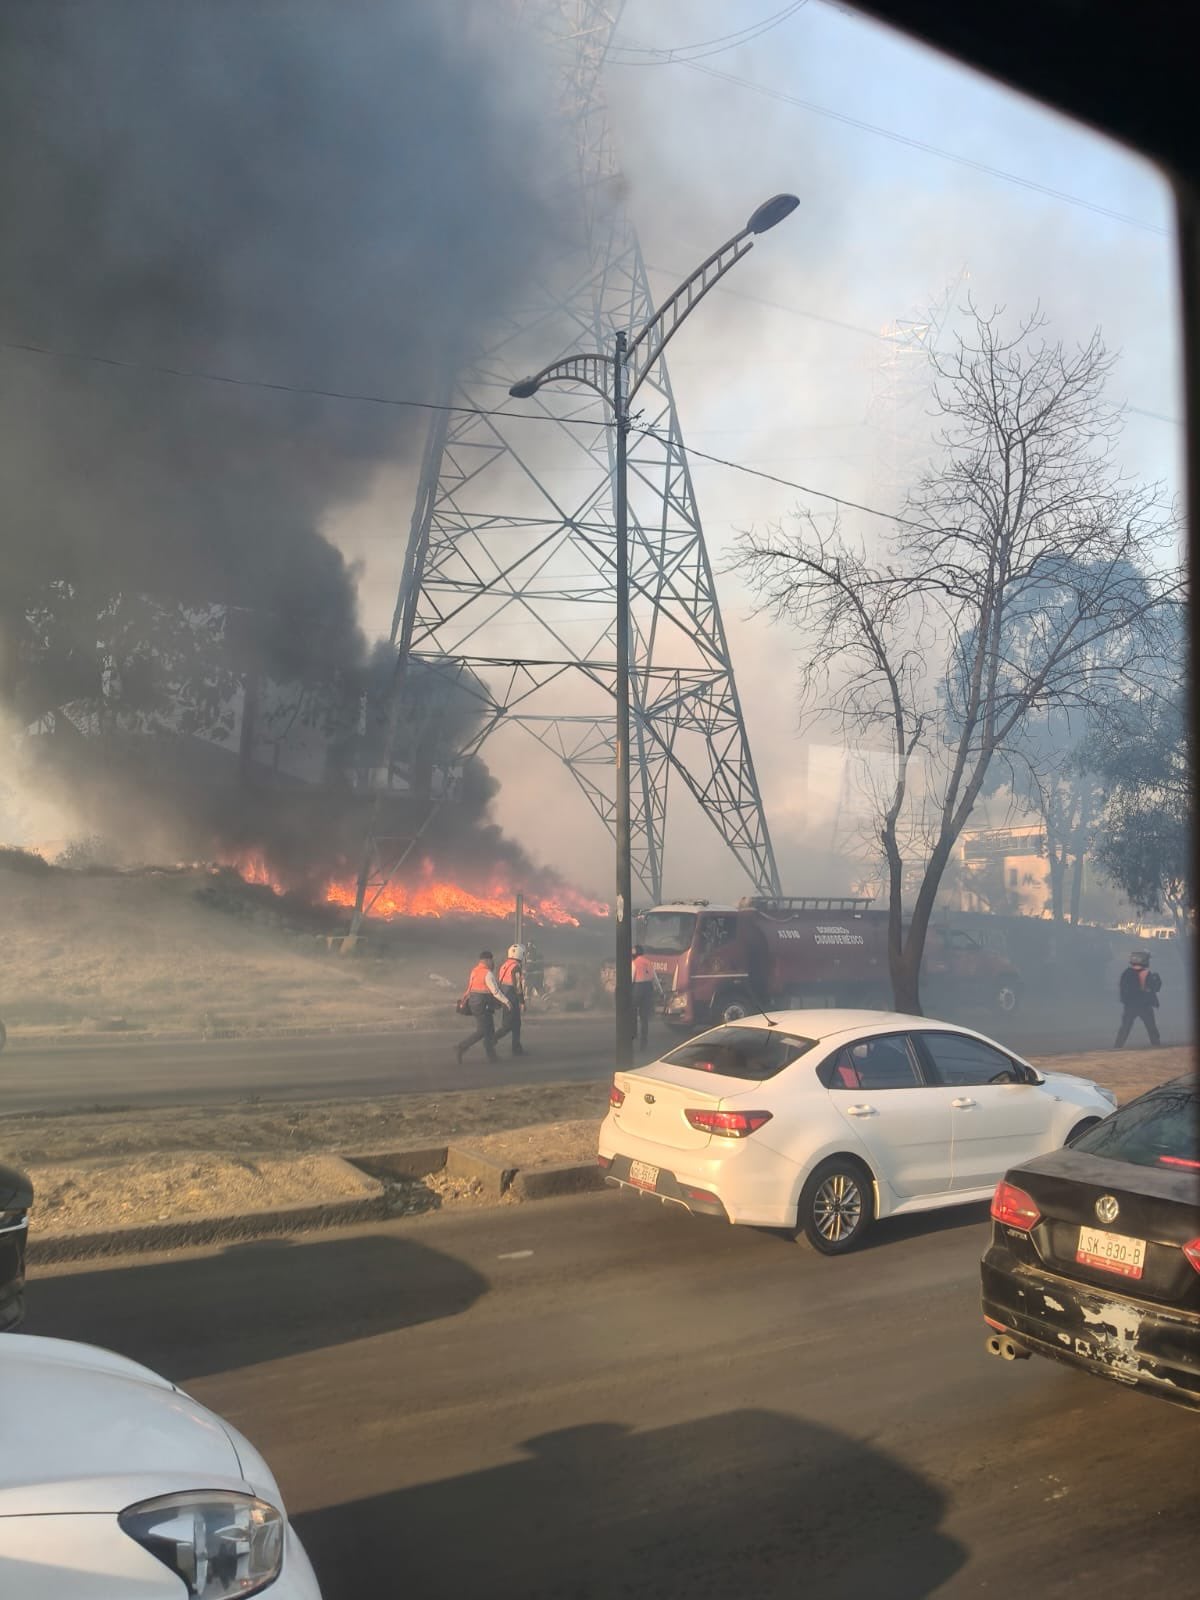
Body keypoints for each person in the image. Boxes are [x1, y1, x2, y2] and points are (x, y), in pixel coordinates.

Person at [455, 950, 512, 1064]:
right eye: (491, 960)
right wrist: (506, 1001)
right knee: (482, 1031)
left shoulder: (475, 971)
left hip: (474, 1003)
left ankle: (492, 1057)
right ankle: (461, 1047)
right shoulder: (488, 974)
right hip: (482, 1005)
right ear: (487, 960)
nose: (493, 963)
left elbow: (471, 987)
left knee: (489, 1030)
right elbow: (495, 991)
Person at [1114, 949, 1162, 1048]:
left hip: (1130, 1006)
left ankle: (1117, 1046)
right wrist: (1157, 980)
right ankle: (1156, 1045)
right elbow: (1155, 988)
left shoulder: (1126, 973)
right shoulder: (1146, 973)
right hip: (1144, 1005)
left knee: (1125, 1027)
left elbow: (1123, 990)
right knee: (1151, 1027)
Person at [494, 943, 527, 1056]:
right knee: (507, 1026)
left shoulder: (505, 965)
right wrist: (522, 1002)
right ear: (520, 955)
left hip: (504, 995)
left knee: (517, 1024)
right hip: (511, 998)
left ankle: (516, 1048)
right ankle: (491, 1040)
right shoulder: (516, 967)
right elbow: (517, 986)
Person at [631, 944, 662, 1050]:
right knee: (644, 1017)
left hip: (637, 988)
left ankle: (633, 1033)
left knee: (632, 1010)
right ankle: (644, 1041)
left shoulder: (634, 963)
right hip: (648, 989)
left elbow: (631, 977)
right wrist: (661, 991)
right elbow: (655, 978)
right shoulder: (648, 962)